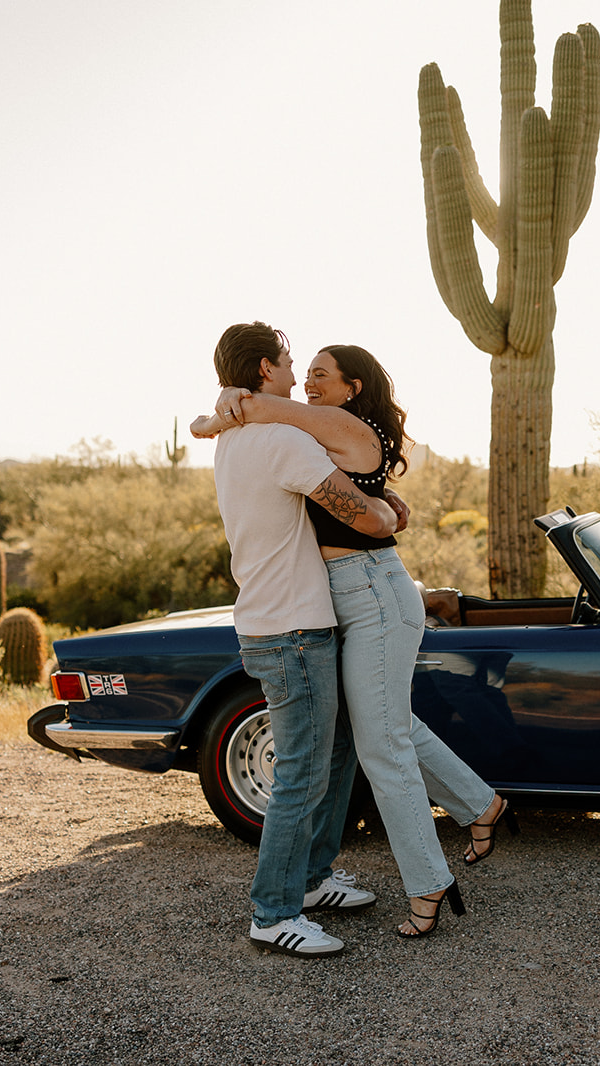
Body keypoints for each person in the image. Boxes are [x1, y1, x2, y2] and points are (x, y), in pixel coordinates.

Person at [195, 343, 517, 939]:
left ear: (353, 387)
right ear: (268, 369)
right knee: (384, 729)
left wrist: (389, 516)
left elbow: (372, 520)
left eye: (321, 374)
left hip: (370, 591)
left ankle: (428, 882)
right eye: (302, 370)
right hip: (343, 598)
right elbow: (216, 423)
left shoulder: (327, 427)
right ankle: (480, 806)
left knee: (382, 744)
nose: (308, 382)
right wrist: (224, 406)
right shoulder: (290, 431)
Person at [208, 322, 398, 959]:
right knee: (301, 775)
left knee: (334, 751)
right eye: (289, 362)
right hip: (292, 629)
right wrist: (391, 513)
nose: (296, 374)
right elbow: (358, 511)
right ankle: (274, 911)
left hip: (282, 622)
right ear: (265, 370)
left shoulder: (233, 438)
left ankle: (312, 879)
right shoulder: (279, 439)